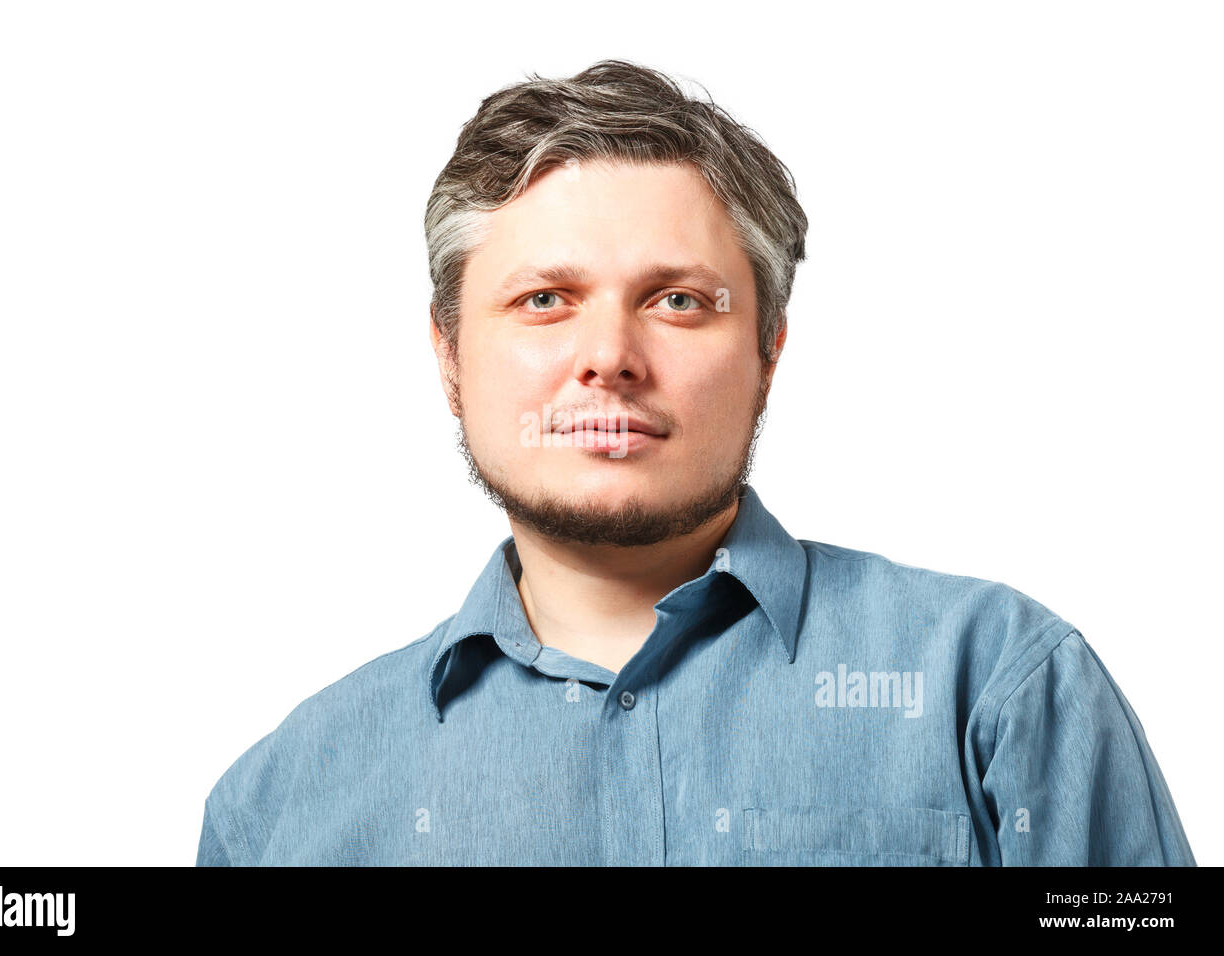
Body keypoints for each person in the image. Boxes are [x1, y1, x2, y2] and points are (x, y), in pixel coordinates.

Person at [196, 59, 1194, 866]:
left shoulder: (996, 688)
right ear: (450, 351)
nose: (609, 355)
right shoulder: (279, 807)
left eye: (677, 299)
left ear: (769, 347)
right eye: (544, 298)